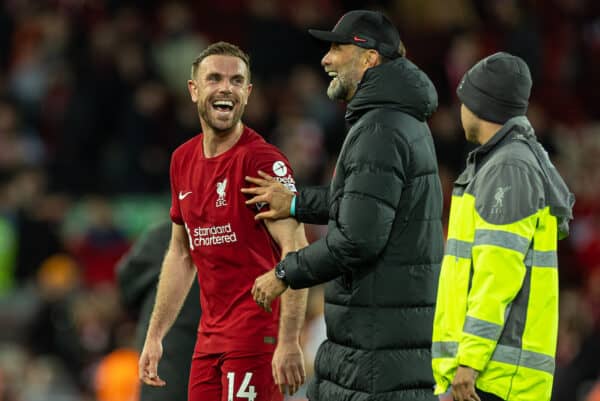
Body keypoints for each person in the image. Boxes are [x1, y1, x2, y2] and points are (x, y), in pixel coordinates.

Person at [243, 10, 444, 401]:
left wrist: (285, 273)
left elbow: (359, 238)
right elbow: (365, 202)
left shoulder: (380, 129)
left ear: (369, 58)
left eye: (337, 48)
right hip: (379, 341)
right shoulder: (396, 119)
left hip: (374, 351)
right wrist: (297, 203)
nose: (325, 59)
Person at [138, 42, 309, 401]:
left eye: (236, 81)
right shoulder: (182, 160)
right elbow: (181, 254)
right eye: (214, 78)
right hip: (208, 339)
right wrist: (155, 335)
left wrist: (290, 340)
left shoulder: (260, 161)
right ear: (194, 89)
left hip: (255, 336)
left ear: (247, 94)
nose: (225, 88)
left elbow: (296, 247)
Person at [430, 52, 575, 401]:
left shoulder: (509, 168)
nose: (459, 108)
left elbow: (498, 275)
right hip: (491, 374)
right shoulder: (501, 162)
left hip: (494, 378)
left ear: (482, 105)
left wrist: (469, 361)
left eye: (464, 99)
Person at [118, 220, 200, 401]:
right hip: (205, 353)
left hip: (166, 356)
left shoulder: (161, 235)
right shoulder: (230, 235)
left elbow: (126, 284)